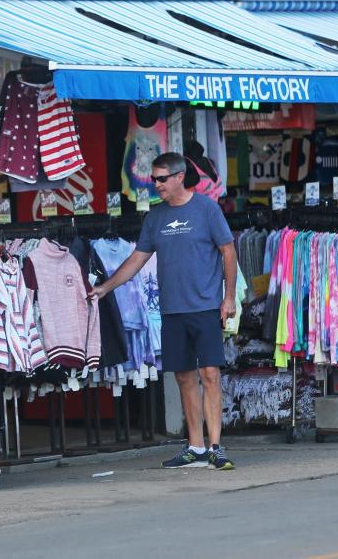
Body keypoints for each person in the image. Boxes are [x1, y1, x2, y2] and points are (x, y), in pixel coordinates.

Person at [90, 152, 239, 470]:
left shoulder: (207, 209)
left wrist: (229, 298)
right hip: (171, 310)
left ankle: (216, 447)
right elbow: (137, 259)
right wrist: (106, 287)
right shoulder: (155, 218)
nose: (155, 184)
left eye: (161, 179)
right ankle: (195, 447)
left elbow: (228, 250)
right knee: (184, 376)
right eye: (152, 179)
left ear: (179, 176)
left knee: (210, 374)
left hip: (205, 305)